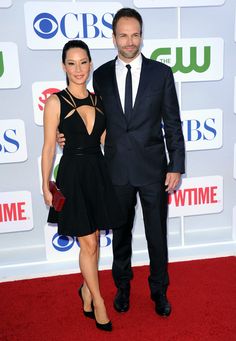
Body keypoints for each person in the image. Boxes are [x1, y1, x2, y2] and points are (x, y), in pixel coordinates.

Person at [58, 8, 185, 317]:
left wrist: (176, 165)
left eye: (135, 34)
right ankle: (123, 288)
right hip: (114, 170)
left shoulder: (161, 73)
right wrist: (68, 138)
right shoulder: (99, 75)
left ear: (141, 36)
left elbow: (173, 123)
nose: (130, 41)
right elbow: (90, 119)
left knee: (157, 235)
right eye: (124, 35)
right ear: (113, 37)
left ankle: (158, 291)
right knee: (121, 236)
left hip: (154, 168)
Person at [41, 39, 125, 332]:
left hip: (98, 172)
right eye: (72, 63)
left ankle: (86, 291)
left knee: (95, 237)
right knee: (88, 241)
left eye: (83, 62)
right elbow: (49, 147)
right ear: (64, 66)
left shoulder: (98, 99)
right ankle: (99, 301)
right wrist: (45, 185)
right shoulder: (55, 101)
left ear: (90, 64)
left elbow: (105, 141)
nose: (78, 69)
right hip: (73, 175)